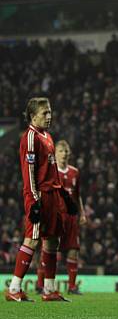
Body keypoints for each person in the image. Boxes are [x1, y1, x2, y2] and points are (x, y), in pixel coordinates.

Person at [5, 97, 77, 302]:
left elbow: (52, 170)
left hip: (54, 195)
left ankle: (49, 290)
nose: (49, 116)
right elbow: (29, 172)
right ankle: (14, 288)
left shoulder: (48, 136)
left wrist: (64, 194)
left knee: (52, 242)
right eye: (45, 113)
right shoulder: (30, 137)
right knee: (32, 238)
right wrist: (34, 200)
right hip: (39, 195)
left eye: (50, 112)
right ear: (32, 115)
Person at [35, 140, 87, 294]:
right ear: (55, 153)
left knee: (73, 250)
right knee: (47, 249)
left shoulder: (74, 172)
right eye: (61, 151)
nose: (64, 154)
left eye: (66, 151)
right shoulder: (50, 171)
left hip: (71, 218)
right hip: (54, 215)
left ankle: (72, 287)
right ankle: (40, 284)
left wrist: (82, 213)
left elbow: (77, 195)